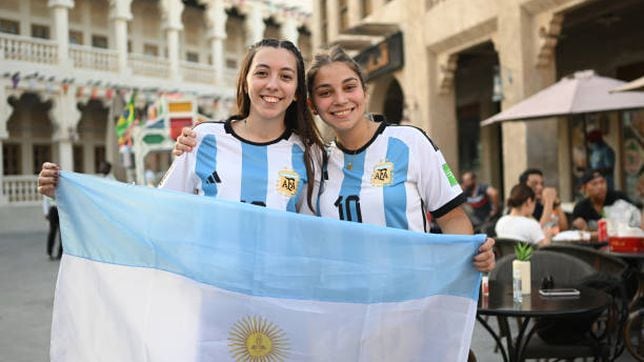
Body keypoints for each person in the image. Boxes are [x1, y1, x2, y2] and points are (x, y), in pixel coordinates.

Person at [175, 46, 495, 272]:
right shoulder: (316, 160)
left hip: (411, 298)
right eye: (326, 92)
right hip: (343, 307)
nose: (340, 100)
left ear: (364, 91)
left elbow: (453, 219)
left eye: (349, 87)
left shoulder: (410, 142)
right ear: (312, 104)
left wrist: (473, 258)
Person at [39, 39, 326, 216]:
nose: (273, 85)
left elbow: (313, 234)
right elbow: (160, 209)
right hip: (209, 294)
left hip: (275, 299)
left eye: (286, 76)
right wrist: (73, 193)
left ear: (298, 91)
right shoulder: (203, 139)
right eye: (262, 73)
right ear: (245, 82)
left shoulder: (309, 154)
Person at [42, 195, 62, 260]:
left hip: (61, 209)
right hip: (53, 208)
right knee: (52, 231)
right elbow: (45, 199)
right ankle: (49, 252)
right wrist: (46, 212)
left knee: (62, 233)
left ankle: (60, 253)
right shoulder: (49, 185)